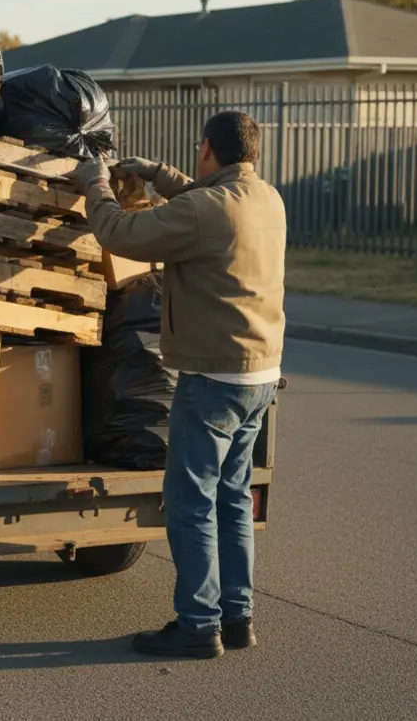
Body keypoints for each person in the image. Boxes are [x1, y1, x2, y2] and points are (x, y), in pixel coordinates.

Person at [74, 111, 286, 659]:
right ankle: (237, 618)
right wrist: (156, 173)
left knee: (190, 501)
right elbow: (205, 200)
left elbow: (118, 232)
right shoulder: (266, 199)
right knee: (233, 499)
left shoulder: (205, 210)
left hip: (213, 379)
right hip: (259, 376)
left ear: (207, 150)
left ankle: (198, 625)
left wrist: (95, 183)